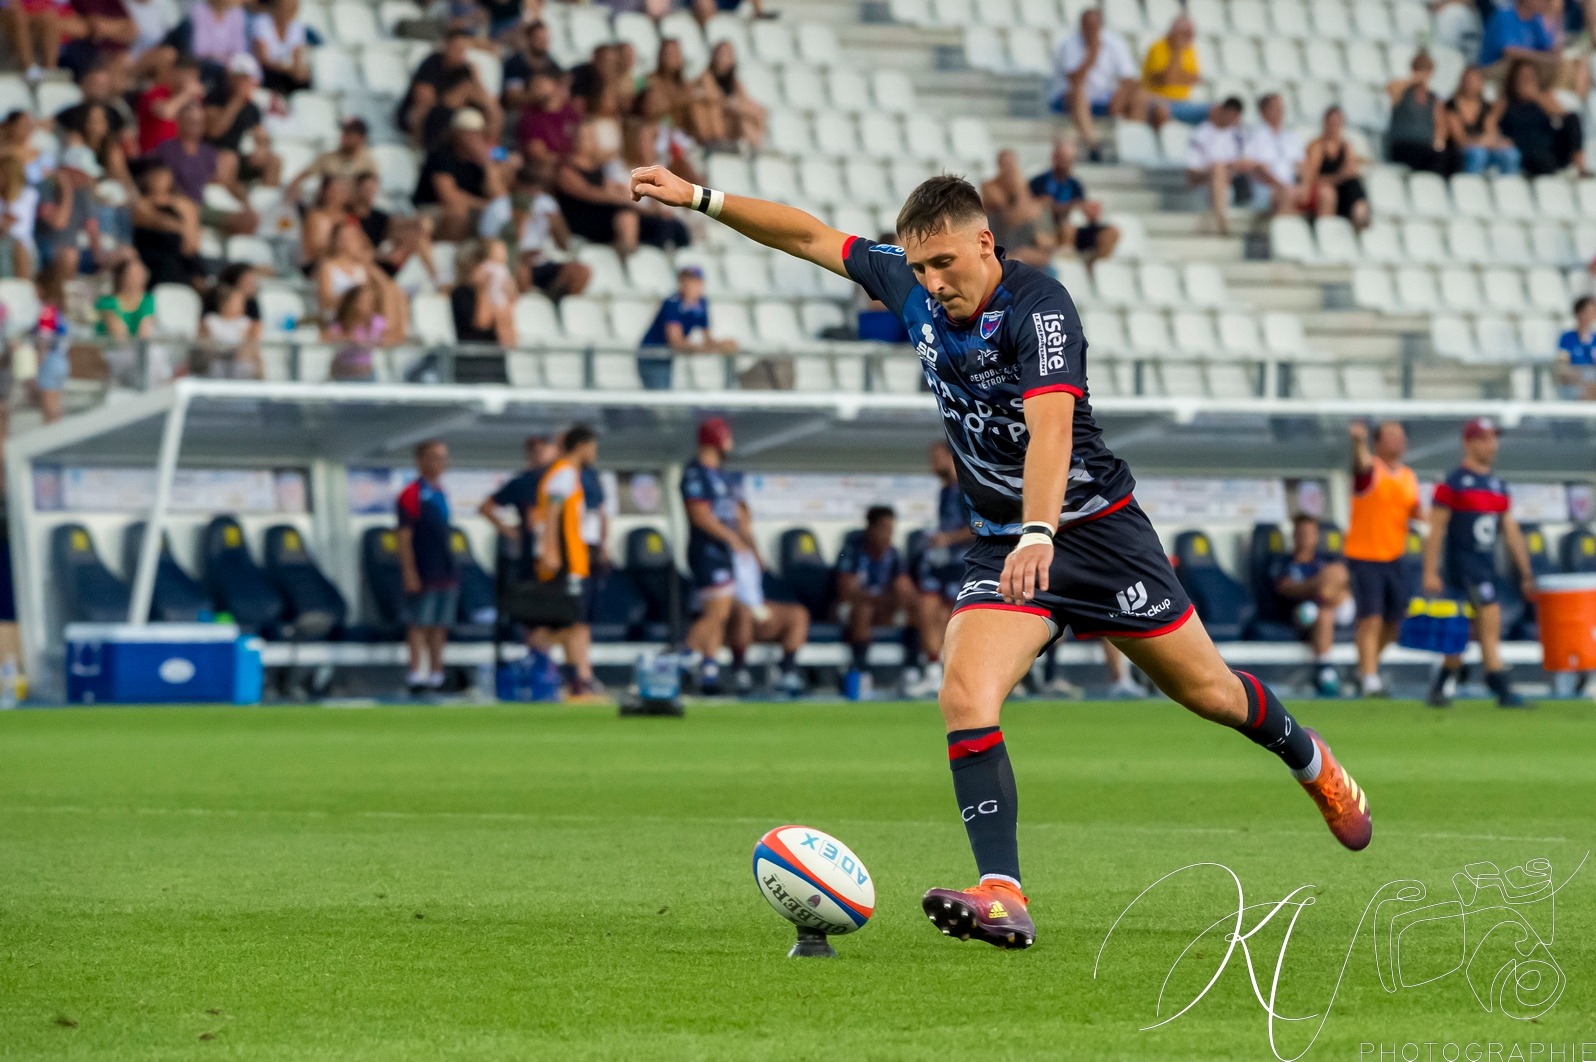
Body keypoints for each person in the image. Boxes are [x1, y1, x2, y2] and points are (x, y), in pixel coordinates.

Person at [630, 163, 1373, 949]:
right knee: (964, 693)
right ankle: (1002, 892)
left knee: (1214, 694)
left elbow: (1051, 425)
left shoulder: (1041, 306)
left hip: (1096, 536)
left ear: (985, 243)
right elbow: (810, 235)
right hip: (1004, 545)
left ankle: (1311, 760)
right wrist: (702, 199)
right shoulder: (911, 289)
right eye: (918, 268)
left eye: (945, 263)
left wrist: (1041, 532)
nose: (932, 282)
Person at [1422, 419, 1536, 709]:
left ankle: (1446, 681)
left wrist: (1525, 572)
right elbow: (1436, 530)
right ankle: (1497, 679)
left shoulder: (1497, 487)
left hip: (1486, 567)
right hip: (1462, 567)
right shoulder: (1454, 484)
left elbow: (1510, 532)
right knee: (1487, 618)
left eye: (1493, 439)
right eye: (1485, 439)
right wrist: (1430, 571)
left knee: (1464, 632)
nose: (1492, 445)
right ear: (1469, 443)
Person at [1344, 420, 1422, 697]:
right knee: (1371, 618)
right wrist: (1357, 441)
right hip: (1365, 555)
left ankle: (1365, 667)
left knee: (1395, 622)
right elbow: (1361, 465)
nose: (1398, 441)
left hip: (1394, 557)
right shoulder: (1371, 470)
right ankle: (1369, 678)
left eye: (1401, 436)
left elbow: (1416, 513)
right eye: (1391, 436)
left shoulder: (1408, 476)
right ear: (1378, 442)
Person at [680, 417, 751, 696]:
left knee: (721, 616)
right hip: (707, 551)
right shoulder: (696, 473)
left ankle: (710, 670)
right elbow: (699, 515)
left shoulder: (718, 474)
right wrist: (731, 537)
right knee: (716, 612)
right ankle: (681, 662)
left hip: (722, 552)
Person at [531, 424, 603, 698]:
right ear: (582, 446)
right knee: (568, 624)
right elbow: (552, 512)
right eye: (593, 447)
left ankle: (580, 679)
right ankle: (557, 669)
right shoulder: (562, 473)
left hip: (575, 560)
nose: (594, 453)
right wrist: (550, 550)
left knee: (577, 623)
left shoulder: (571, 474)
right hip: (563, 561)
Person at [906, 440, 974, 699]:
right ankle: (934, 672)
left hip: (967, 564)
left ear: (951, 456)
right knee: (926, 609)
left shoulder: (969, 487)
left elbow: (978, 526)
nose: (932, 464)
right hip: (942, 564)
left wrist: (947, 539)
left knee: (954, 618)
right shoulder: (945, 491)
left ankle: (955, 675)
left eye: (937, 457)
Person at [1051, 8, 1161, 159]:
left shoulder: (1114, 43)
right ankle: (1092, 143)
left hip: (1105, 97)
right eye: (1087, 26)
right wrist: (1091, 57)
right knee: (1077, 92)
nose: (1090, 31)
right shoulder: (1069, 44)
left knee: (1140, 95)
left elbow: (1129, 78)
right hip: (1073, 98)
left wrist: (1120, 96)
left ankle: (1133, 144)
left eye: (1094, 26)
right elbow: (1074, 80)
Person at [396, 439, 459, 695]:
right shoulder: (411, 494)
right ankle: (416, 674)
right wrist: (409, 571)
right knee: (419, 623)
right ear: (420, 461)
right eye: (434, 457)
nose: (440, 462)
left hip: (445, 567)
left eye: (443, 457)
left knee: (439, 624)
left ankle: (436, 673)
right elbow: (403, 537)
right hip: (423, 568)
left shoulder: (441, 492)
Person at [835, 505, 916, 696]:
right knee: (864, 609)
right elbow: (846, 591)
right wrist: (880, 599)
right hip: (850, 609)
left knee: (917, 609)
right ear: (870, 528)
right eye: (883, 529)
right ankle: (861, 670)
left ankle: (914, 672)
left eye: (891, 530)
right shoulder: (853, 549)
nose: (888, 535)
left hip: (882, 607)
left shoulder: (893, 554)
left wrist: (902, 599)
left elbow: (905, 589)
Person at [1274, 514, 1351, 697]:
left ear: (1316, 536)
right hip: (1299, 614)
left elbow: (1341, 578)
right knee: (1321, 611)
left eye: (1310, 533)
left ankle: (1326, 670)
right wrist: (1318, 585)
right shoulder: (1285, 562)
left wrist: (1321, 590)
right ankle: (1326, 670)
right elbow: (1285, 588)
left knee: (1336, 578)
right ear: (1294, 535)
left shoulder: (1325, 560)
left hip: (1336, 607)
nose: (1306, 537)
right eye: (1301, 533)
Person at [414, 108, 511, 242]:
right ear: (456, 134)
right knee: (458, 213)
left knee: (504, 215)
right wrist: (485, 206)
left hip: (471, 209)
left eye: (477, 134)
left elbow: (500, 199)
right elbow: (449, 197)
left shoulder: (480, 161)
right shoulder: (440, 156)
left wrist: (488, 165)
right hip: (432, 208)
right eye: (469, 134)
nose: (474, 139)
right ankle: (449, 253)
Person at [636, 265, 735, 391]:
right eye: (690, 281)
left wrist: (721, 345)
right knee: (660, 398)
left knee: (665, 396)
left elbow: (707, 339)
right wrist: (702, 348)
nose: (694, 286)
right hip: (652, 354)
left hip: (667, 354)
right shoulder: (672, 303)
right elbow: (675, 341)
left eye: (697, 282)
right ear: (681, 283)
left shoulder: (702, 303)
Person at [1028, 138, 1119, 268]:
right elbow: (1034, 208)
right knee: (1066, 228)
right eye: (1063, 159)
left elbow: (1081, 210)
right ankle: (1068, 266)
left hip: (1075, 228)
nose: (1066, 164)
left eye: (1070, 160)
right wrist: (1064, 207)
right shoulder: (1039, 183)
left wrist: (1089, 211)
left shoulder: (1075, 185)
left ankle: (1094, 267)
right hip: (1051, 228)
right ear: (1055, 158)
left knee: (1111, 233)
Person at [1481, 0, 1590, 97]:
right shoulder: (1505, 15)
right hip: (1493, 68)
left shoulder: (1535, 20)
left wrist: (1557, 15)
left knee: (1572, 62)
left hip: (1521, 67)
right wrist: (1544, 58)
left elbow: (1553, 50)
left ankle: (1568, 103)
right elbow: (1509, 52)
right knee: (1530, 67)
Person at [1499, 57, 1587, 176]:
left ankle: (1580, 166)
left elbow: (1566, 118)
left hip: (1548, 148)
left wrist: (1537, 97)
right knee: (1535, 154)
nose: (1527, 81)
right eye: (1523, 78)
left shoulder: (1543, 99)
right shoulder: (1505, 104)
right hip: (1524, 149)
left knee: (1572, 119)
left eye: (1530, 77)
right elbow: (1492, 126)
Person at [511, 169, 589, 300]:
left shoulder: (546, 204)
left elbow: (564, 245)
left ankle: (558, 305)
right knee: (522, 272)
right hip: (517, 261)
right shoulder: (502, 207)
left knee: (580, 271)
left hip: (541, 261)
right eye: (530, 187)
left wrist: (556, 223)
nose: (534, 193)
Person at [980, 149, 1057, 268]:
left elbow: (1046, 245)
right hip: (1003, 243)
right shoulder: (990, 187)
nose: (1009, 169)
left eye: (1012, 165)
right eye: (1005, 165)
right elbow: (1011, 216)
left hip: (1024, 248)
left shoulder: (1022, 189)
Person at [1185, 97, 1250, 236]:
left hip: (1238, 183)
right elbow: (1191, 175)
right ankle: (1221, 219)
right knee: (1218, 169)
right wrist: (1219, 171)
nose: (1232, 119)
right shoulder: (1201, 134)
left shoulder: (1240, 134)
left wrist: (1234, 167)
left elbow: (1250, 162)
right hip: (1208, 184)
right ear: (1221, 111)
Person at [1304, 106, 1372, 230]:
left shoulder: (1346, 146)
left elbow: (1351, 172)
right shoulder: (1317, 146)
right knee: (1331, 192)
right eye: (1332, 122)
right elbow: (1311, 178)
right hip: (1325, 190)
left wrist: (1343, 175)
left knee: (1353, 183)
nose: (1335, 126)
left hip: (1342, 192)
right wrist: (1337, 178)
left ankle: (1359, 212)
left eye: (1338, 122)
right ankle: (1358, 213)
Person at [1447, 66, 1522, 175]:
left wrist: (1490, 142)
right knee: (1477, 154)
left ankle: (1508, 188)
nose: (1471, 85)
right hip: (1461, 152)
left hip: (1483, 148)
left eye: (1475, 81)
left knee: (1511, 154)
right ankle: (1471, 185)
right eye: (1469, 81)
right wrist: (1483, 142)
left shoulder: (1486, 108)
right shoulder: (1451, 106)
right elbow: (1460, 140)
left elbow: (1491, 133)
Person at [1244, 93, 1308, 217]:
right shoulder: (1254, 136)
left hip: (1290, 186)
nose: (1280, 111)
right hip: (1267, 187)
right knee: (1285, 193)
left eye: (1281, 107)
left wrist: (1303, 186)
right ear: (1263, 111)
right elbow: (1258, 168)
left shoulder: (1291, 136)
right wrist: (1280, 185)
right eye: (1275, 107)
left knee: (1326, 194)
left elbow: (1302, 165)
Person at [1386, 52, 1451, 174]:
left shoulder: (1433, 98)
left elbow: (1440, 124)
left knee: (1445, 156)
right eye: (1420, 68)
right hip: (1403, 144)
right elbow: (1391, 89)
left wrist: (1438, 141)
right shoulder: (1403, 92)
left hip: (1424, 146)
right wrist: (1414, 78)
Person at [697, 41, 766, 152]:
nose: (722, 59)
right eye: (720, 54)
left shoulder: (735, 84)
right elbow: (715, 102)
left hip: (731, 125)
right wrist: (732, 105)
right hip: (716, 128)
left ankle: (754, 144)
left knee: (753, 113)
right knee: (742, 116)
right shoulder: (706, 79)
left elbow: (749, 106)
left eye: (727, 55)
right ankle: (752, 146)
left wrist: (736, 106)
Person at [284, 118, 377, 199]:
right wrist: (295, 189)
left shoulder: (368, 163)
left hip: (353, 209)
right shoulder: (327, 158)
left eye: (349, 133)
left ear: (361, 138)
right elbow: (301, 177)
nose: (343, 136)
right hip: (327, 207)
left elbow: (370, 191)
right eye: (344, 132)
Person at [1141, 14, 1208, 125]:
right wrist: (1176, 52)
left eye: (1191, 33)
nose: (1190, 36)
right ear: (1175, 31)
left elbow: (1195, 79)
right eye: (1186, 33)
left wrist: (1177, 77)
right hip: (1158, 101)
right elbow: (1167, 79)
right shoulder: (1157, 47)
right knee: (1160, 112)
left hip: (1183, 103)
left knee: (1218, 111)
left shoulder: (1190, 50)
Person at [451, 238, 517, 348]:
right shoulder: (461, 293)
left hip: (496, 356)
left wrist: (508, 298)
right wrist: (483, 289)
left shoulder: (498, 294)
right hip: (471, 354)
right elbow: (482, 324)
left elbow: (509, 339)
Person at [248, 0, 310, 95]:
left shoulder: (296, 27)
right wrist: (288, 70)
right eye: (286, 7)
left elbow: (297, 58)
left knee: (303, 79)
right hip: (266, 71)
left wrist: (298, 71)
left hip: (284, 70)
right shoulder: (261, 23)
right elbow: (263, 60)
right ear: (276, 7)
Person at [502, 20, 561, 112]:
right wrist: (538, 95)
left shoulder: (554, 65)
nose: (543, 43)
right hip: (519, 112)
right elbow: (512, 97)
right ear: (529, 39)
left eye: (546, 39)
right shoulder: (515, 64)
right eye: (539, 39)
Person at [1555, 295, 1596, 398]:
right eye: (1589, 311)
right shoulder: (1567, 338)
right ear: (1579, 313)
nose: (1591, 315)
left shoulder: (1594, 339)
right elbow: (1562, 367)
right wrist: (1581, 380)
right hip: (1574, 384)